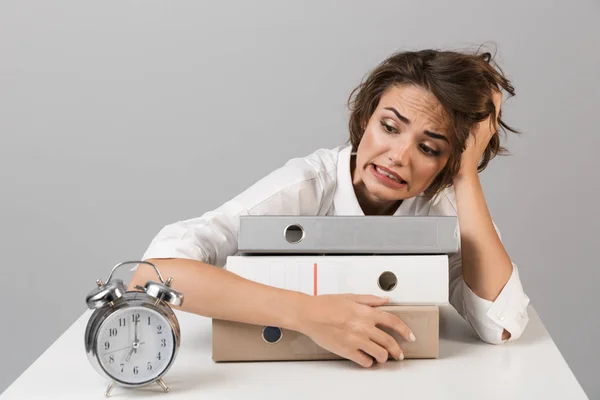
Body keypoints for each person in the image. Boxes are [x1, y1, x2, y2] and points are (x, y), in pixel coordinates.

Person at [129, 47, 530, 368]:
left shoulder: (441, 206)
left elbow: (501, 326)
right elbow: (153, 274)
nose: (398, 156)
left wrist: (466, 175)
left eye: (429, 148)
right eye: (389, 127)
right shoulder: (310, 184)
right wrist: (309, 315)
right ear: (364, 118)